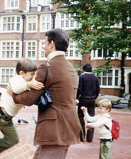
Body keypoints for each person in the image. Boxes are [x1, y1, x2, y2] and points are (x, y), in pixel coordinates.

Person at [8, 28, 83, 159]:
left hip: (54, 129)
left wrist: (12, 94)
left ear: (51, 44)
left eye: (44, 43)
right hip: (68, 126)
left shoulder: (47, 67)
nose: (43, 47)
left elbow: (30, 98)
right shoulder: (71, 69)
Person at [77, 63, 100, 142]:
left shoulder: (82, 77)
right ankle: (90, 138)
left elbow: (79, 89)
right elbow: (98, 90)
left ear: (84, 69)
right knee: (91, 117)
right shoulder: (95, 78)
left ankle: (81, 136)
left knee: (80, 116)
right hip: (92, 99)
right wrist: (94, 97)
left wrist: (76, 98)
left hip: (83, 98)